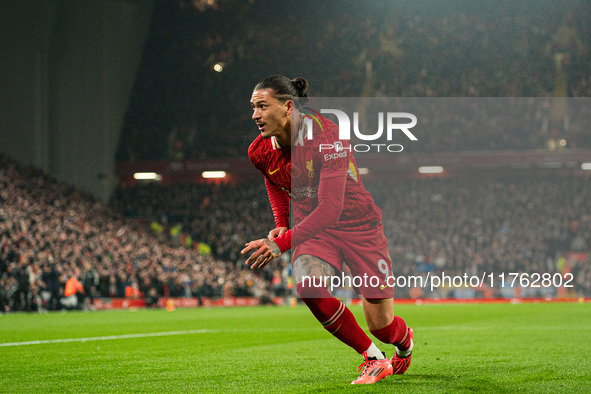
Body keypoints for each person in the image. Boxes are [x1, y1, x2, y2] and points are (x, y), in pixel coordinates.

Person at [241, 75, 413, 384]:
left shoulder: (328, 137)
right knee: (308, 286)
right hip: (316, 230)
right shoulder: (258, 150)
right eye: (253, 107)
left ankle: (404, 342)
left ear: (287, 106)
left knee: (383, 327)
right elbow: (272, 176)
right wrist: (281, 221)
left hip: (361, 227)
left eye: (262, 106)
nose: (255, 115)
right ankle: (374, 358)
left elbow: (331, 208)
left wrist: (281, 244)